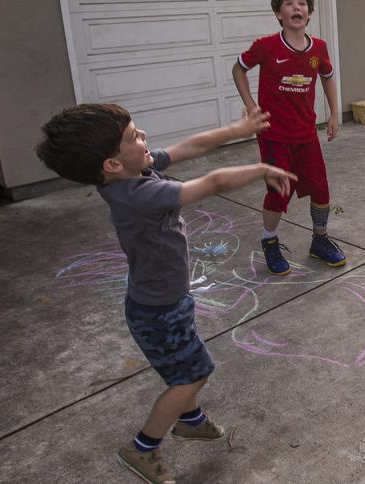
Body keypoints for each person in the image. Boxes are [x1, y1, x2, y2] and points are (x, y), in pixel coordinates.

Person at [35, 103, 295, 483]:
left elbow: (189, 147)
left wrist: (236, 130)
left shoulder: (130, 172)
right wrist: (261, 169)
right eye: (133, 136)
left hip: (162, 302)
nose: (143, 137)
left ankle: (190, 419)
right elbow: (213, 183)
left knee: (183, 366)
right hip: (160, 312)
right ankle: (143, 448)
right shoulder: (138, 195)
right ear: (112, 163)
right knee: (194, 373)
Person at [232, 0, 346, 275]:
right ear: (278, 14)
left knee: (320, 188)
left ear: (309, 13)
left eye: (302, 3)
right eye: (289, 3)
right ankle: (269, 241)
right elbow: (238, 68)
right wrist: (250, 105)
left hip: (307, 134)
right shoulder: (266, 46)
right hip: (274, 136)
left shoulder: (318, 47)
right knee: (278, 193)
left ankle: (319, 240)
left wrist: (334, 113)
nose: (296, 7)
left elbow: (327, 76)